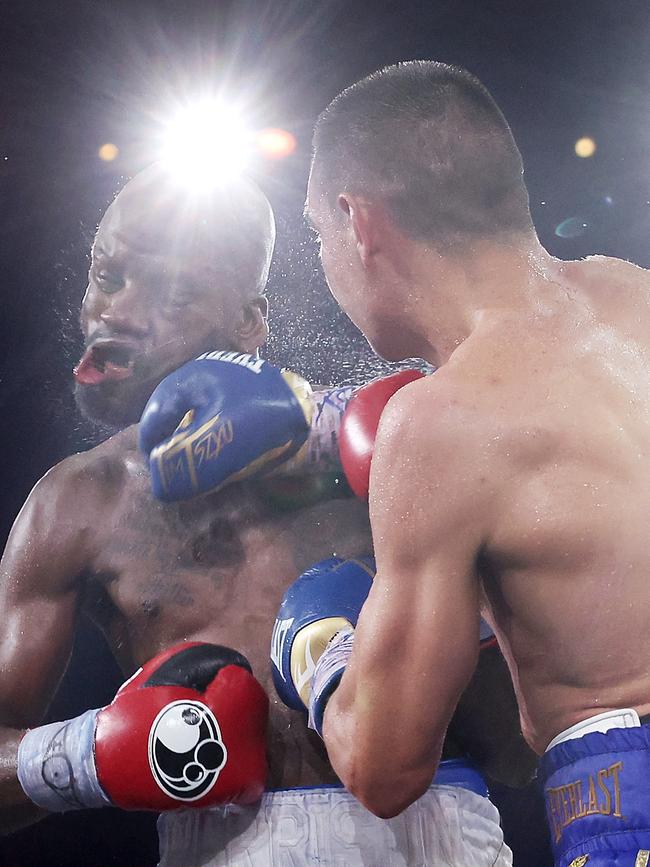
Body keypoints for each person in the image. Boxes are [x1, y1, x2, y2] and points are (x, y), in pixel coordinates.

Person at [0, 162, 529, 867]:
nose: (118, 312)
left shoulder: (386, 445)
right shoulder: (76, 503)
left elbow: (520, 749)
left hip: (427, 823)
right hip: (224, 846)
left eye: (177, 292)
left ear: (250, 322)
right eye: (109, 274)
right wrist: (89, 755)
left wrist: (469, 630)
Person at [297, 58, 650, 867]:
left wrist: (317, 652)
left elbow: (385, 766)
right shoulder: (637, 291)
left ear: (357, 221)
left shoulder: (437, 427)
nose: (324, 259)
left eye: (317, 233)